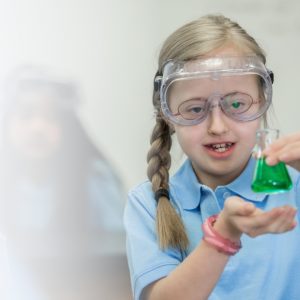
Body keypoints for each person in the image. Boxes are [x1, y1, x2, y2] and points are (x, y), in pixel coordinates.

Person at [124, 14, 300, 300]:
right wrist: (224, 235)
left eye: (237, 104)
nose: (217, 126)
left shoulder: (295, 188)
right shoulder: (149, 203)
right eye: (194, 109)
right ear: (167, 116)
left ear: (262, 102)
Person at [0, 66, 128, 299]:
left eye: (51, 118)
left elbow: (119, 266)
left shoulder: (95, 179)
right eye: (26, 115)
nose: (37, 128)